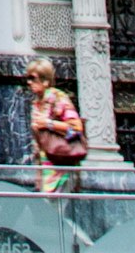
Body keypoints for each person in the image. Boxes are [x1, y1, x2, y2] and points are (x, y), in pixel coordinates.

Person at [23, 58, 87, 197]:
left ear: (45, 80)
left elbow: (76, 127)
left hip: (60, 165)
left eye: (33, 78)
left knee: (55, 210)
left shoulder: (58, 97)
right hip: (44, 166)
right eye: (28, 78)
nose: (29, 82)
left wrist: (48, 123)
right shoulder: (37, 102)